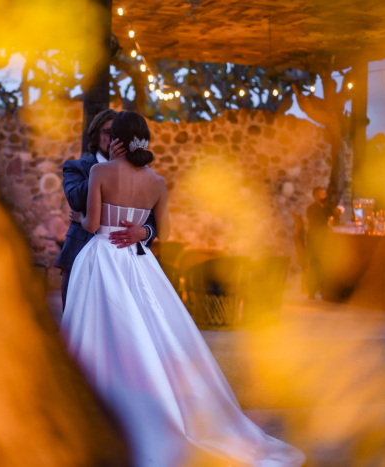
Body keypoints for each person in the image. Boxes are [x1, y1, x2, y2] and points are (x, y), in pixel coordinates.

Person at [59, 111, 305, 467]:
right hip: (138, 263)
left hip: (101, 259)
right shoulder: (156, 181)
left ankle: (100, 409)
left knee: (96, 334)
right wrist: (142, 230)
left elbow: (94, 223)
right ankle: (157, 404)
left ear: (118, 140)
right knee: (151, 334)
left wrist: (82, 220)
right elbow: (167, 231)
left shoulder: (100, 173)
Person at [54, 109, 157, 308]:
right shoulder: (76, 167)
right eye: (108, 132)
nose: (113, 139)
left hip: (125, 261)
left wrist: (145, 232)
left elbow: (153, 217)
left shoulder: (141, 173)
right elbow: (75, 201)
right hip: (80, 253)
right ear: (95, 135)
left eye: (117, 134)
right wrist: (109, 168)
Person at [306, 187, 334, 299]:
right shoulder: (311, 209)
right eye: (322, 195)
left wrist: (336, 214)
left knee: (324, 265)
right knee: (314, 266)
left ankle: (324, 291)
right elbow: (318, 223)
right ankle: (311, 292)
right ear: (316, 196)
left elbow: (333, 219)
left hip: (324, 241)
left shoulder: (327, 208)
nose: (325, 196)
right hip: (314, 241)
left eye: (325, 194)